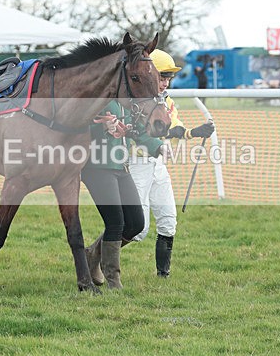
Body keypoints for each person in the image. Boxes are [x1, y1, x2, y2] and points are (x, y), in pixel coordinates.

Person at [129, 49, 215, 277]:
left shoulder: (167, 101)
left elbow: (174, 128)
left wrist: (195, 131)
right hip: (136, 164)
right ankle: (96, 255)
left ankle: (163, 276)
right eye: (162, 77)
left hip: (157, 165)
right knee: (138, 229)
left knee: (168, 221)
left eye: (169, 78)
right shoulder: (135, 102)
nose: (165, 83)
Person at [81, 99, 160, 289]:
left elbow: (138, 130)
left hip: (122, 167)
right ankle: (113, 281)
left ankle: (92, 254)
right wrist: (100, 129)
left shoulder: (126, 100)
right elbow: (72, 129)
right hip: (97, 167)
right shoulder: (95, 96)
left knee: (136, 224)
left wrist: (157, 146)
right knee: (116, 223)